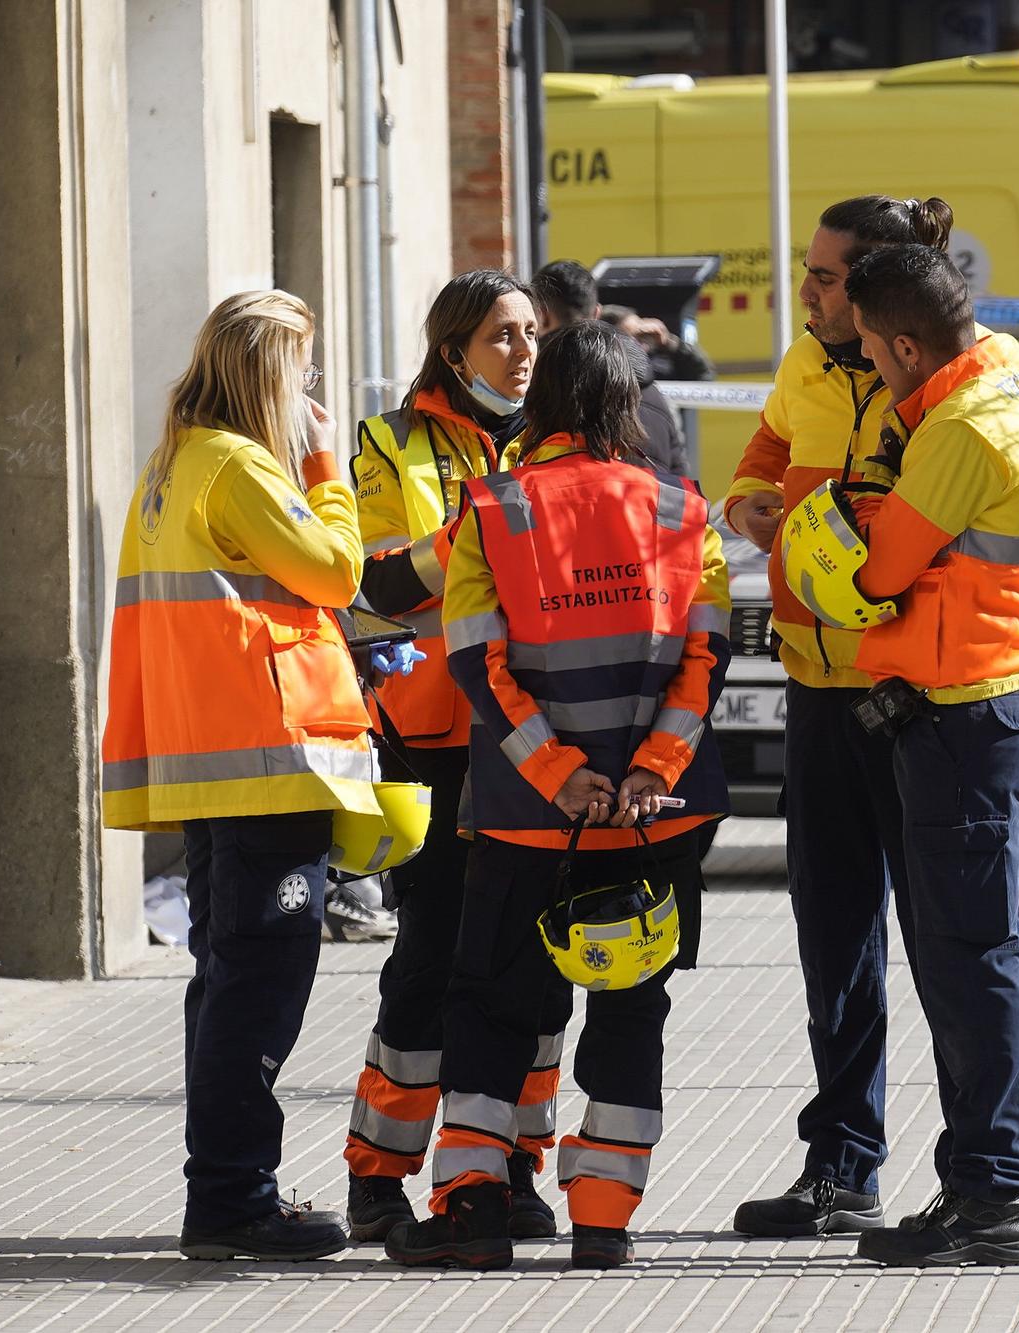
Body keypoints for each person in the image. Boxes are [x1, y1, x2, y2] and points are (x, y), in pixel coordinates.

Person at [723, 196, 1019, 1246]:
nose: (814, 298)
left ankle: (995, 1182)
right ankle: (868, 1167)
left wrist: (981, 561)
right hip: (847, 684)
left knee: (962, 949)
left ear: (893, 308)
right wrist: (753, 497)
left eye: (832, 282)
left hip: (943, 696)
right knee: (862, 938)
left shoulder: (975, 398)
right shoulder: (815, 369)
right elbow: (769, 455)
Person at [388, 319, 730, 1271]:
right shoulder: (681, 510)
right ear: (625, 406)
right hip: (654, 825)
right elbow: (705, 662)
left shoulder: (493, 509)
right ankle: (607, 1221)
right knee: (630, 1009)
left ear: (542, 406)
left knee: (495, 1008)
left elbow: (477, 665)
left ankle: (474, 1210)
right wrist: (646, 775)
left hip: (527, 822)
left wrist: (560, 776)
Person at [101, 289, 374, 1261]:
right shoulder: (241, 467)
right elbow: (336, 571)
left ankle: (224, 1190)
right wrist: (323, 463)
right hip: (265, 763)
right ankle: (231, 1198)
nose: (309, 388)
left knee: (223, 981)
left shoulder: (172, 462)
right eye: (300, 370)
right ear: (270, 375)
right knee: (258, 985)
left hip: (211, 766)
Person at [830, 242, 1019, 1265]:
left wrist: (856, 525)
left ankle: (987, 1197)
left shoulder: (957, 425)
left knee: (968, 961)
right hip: (1000, 699)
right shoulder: (1013, 395)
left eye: (873, 358)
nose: (874, 375)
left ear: (899, 343)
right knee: (1001, 956)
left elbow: (882, 567)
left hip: (959, 713)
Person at [340, 271, 559, 1243]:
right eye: (501, 337)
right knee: (428, 960)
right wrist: (476, 527)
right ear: (453, 350)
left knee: (533, 963)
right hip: (429, 740)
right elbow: (376, 584)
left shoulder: (559, 439)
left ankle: (508, 1166)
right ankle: (378, 1177)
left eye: (530, 334)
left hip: (534, 737)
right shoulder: (391, 442)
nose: (521, 352)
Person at [529, 259, 692, 476]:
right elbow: (680, 479)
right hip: (650, 507)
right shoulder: (652, 392)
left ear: (541, 316)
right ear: (596, 313)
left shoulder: (538, 386)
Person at [601, 303, 716, 384]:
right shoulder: (600, 372)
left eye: (643, 336)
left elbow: (704, 376)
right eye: (631, 339)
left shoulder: (658, 367)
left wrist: (670, 343)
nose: (642, 345)